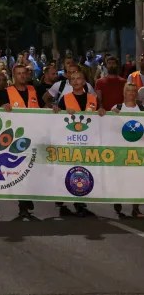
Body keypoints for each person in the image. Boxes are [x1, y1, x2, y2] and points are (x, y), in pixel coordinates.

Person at [53, 70, 102, 218]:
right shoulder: (65, 99)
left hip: (87, 142)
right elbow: (56, 118)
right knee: (68, 170)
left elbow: (100, 115)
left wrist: (102, 111)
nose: (75, 81)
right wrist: (56, 110)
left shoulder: (93, 99)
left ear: (84, 81)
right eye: (72, 79)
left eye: (78, 78)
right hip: (69, 142)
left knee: (81, 172)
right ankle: (64, 195)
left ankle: (79, 201)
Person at [0, 64, 40, 220]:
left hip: (34, 135)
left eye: (24, 73)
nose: (22, 76)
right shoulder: (5, 93)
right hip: (16, 137)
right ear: (14, 76)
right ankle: (23, 205)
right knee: (21, 170)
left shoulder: (34, 90)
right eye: (19, 74)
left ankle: (27, 197)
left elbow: (44, 108)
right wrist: (3, 106)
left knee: (33, 171)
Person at [112, 83, 144, 218]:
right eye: (128, 90)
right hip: (120, 149)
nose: (131, 93)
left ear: (136, 94)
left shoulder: (142, 109)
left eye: (133, 91)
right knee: (121, 178)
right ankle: (117, 199)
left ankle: (135, 208)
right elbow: (109, 127)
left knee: (137, 179)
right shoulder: (117, 108)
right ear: (124, 93)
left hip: (138, 150)